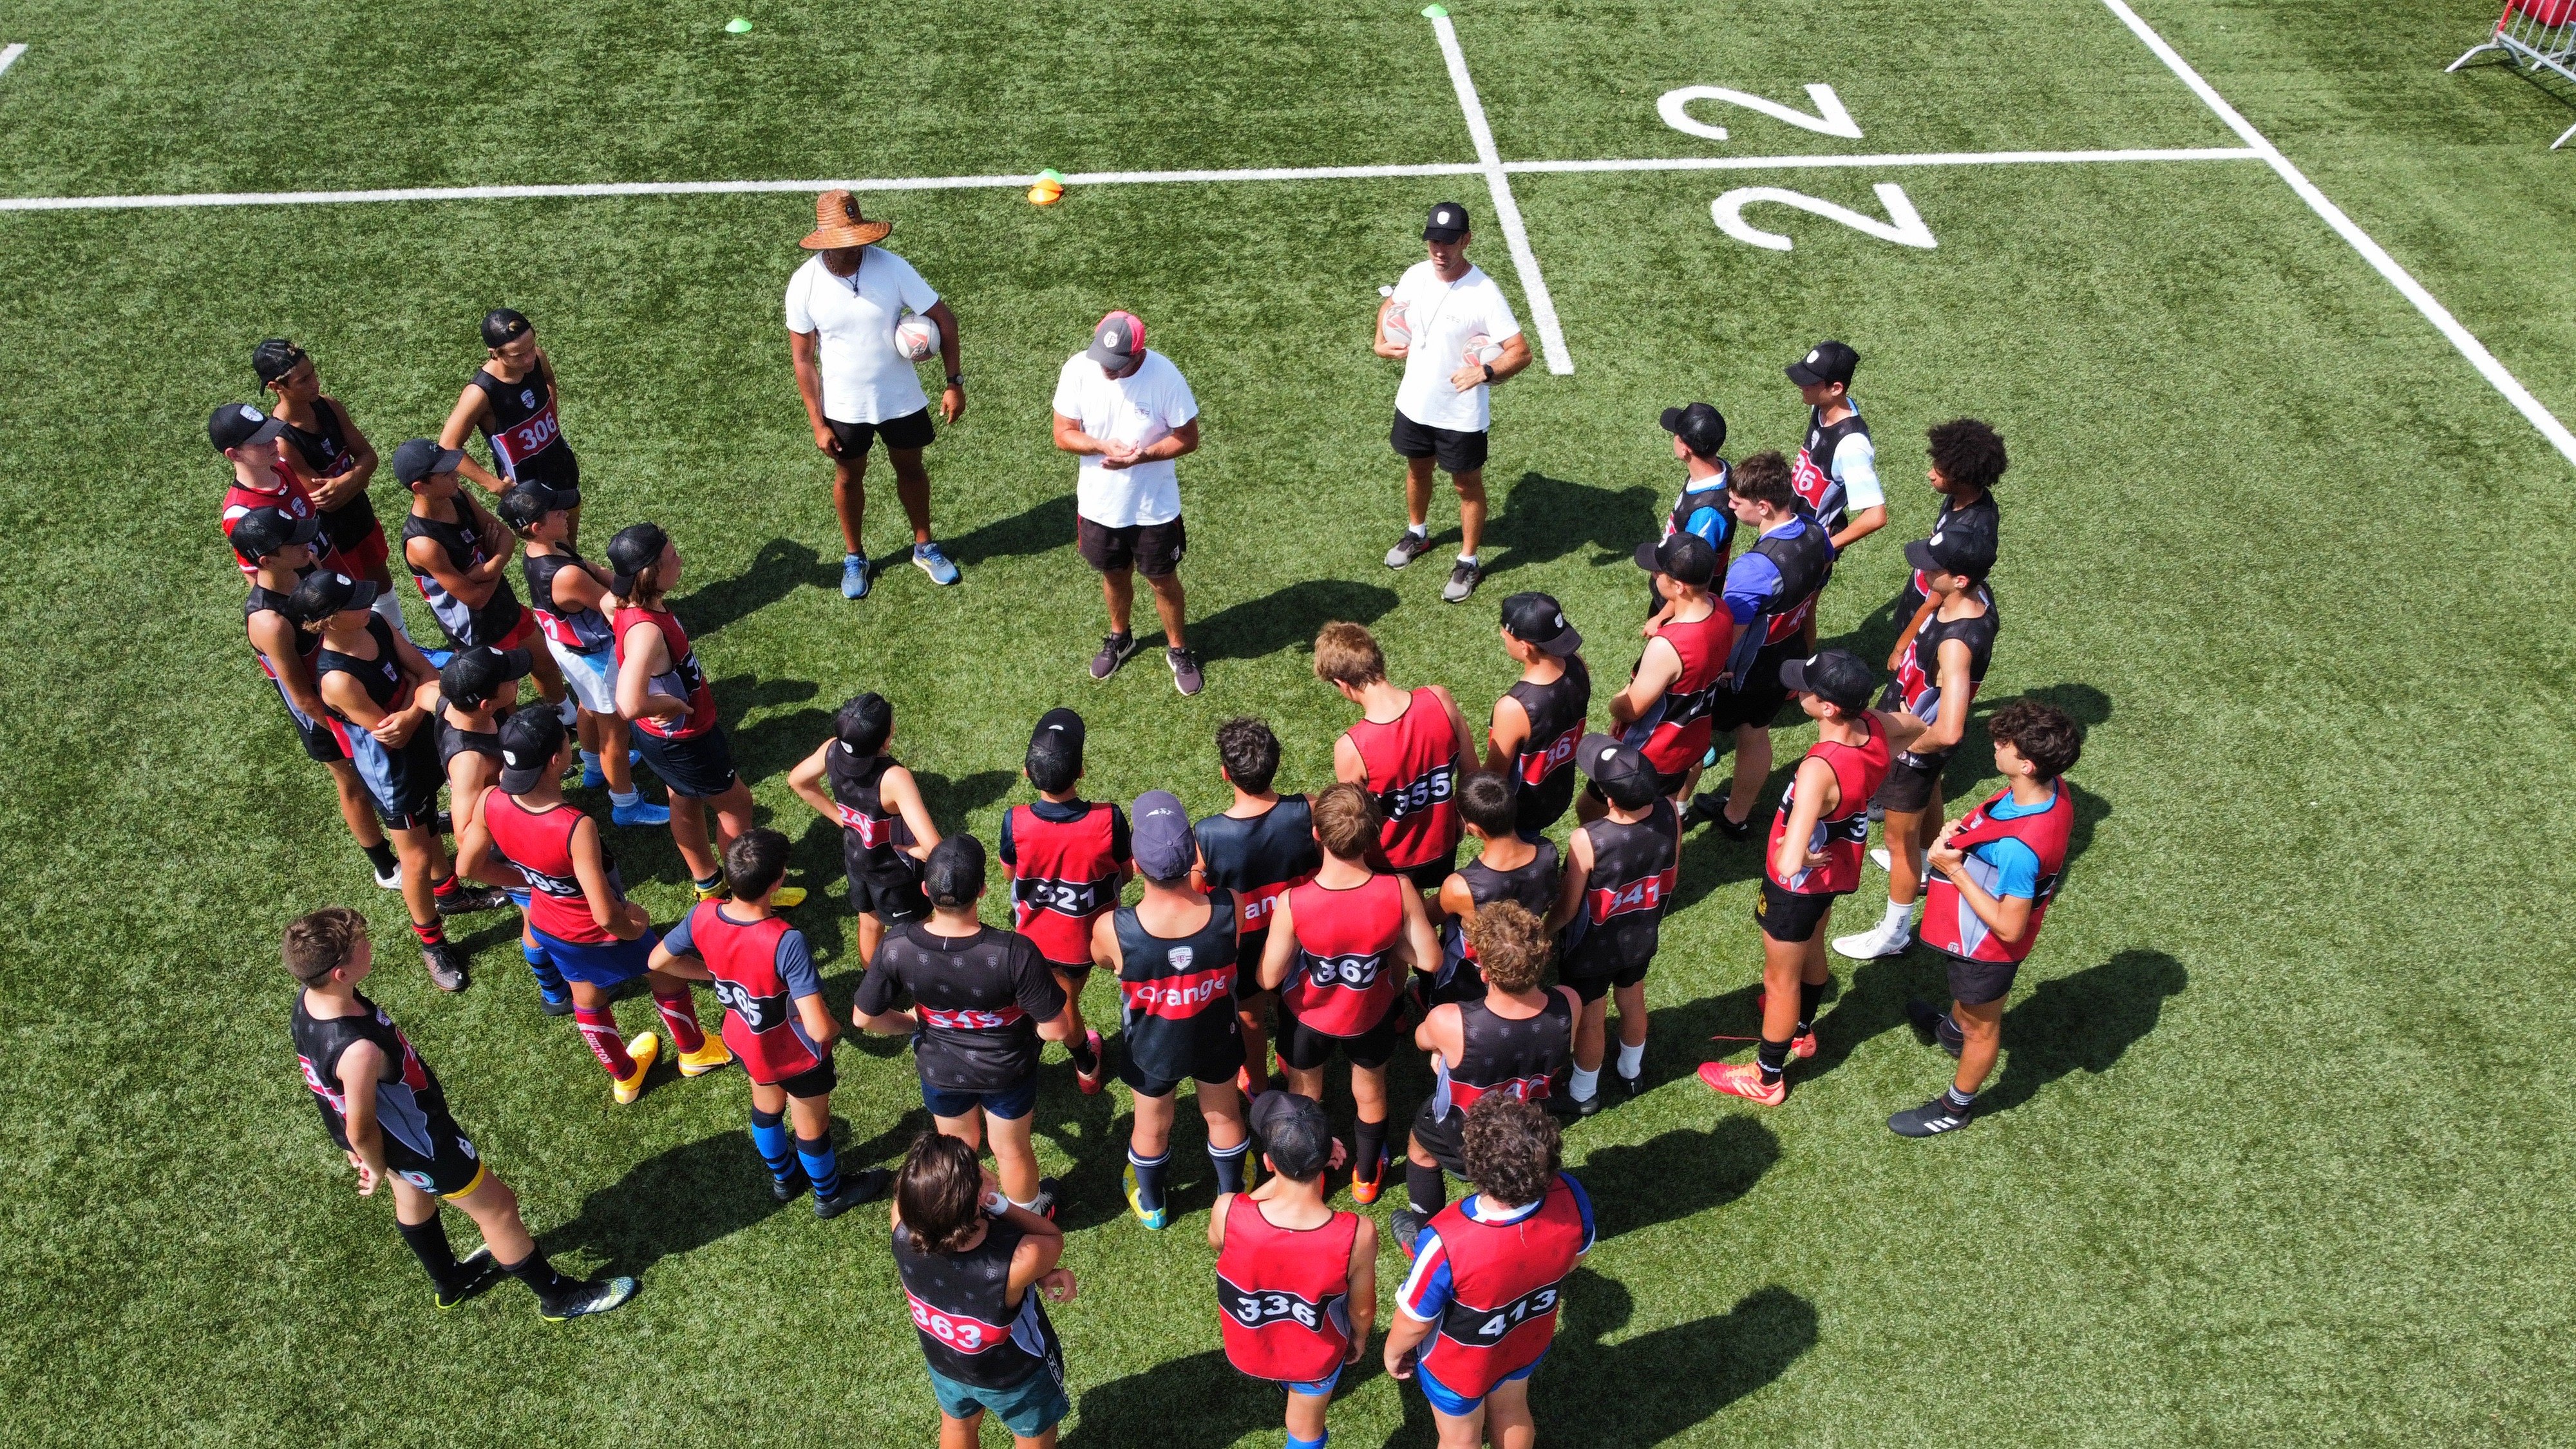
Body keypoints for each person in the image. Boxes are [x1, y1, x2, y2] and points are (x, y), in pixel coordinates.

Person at [283, 907, 634, 1320]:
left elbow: (338, 1102)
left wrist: (364, 1152)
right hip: (422, 1143)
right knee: (498, 1208)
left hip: (396, 1142)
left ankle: (449, 1280)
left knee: (412, 1192)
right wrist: (374, 1163)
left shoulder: (311, 1003)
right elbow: (361, 1125)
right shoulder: (357, 1050)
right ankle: (557, 1298)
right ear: (340, 973)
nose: (369, 945)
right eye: (360, 945)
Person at [460, 710, 733, 1103]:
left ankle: (625, 1077)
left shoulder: (488, 800)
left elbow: (468, 867)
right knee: (664, 971)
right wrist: (635, 925)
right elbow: (605, 914)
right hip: (596, 932)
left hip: (546, 925)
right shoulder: (574, 825)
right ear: (558, 759)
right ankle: (694, 1051)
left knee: (585, 995)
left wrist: (535, 883)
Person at [1702, 651, 1926, 1108]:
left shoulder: (1817, 770)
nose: (1797, 691)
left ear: (1827, 708)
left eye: (1806, 688)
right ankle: (1802, 1032)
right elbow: (1923, 728)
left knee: (1779, 980)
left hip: (1796, 888)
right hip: (1837, 871)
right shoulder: (1877, 726)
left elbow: (1787, 864)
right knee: (1814, 945)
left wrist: (1796, 851)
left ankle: (1767, 1077)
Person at [287, 569, 507, 992]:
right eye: (352, 602)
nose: (364, 604)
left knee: (429, 826)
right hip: (391, 774)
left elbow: (426, 673)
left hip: (420, 745)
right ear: (330, 620)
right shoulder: (338, 679)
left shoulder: (374, 622)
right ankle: (433, 943)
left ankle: (452, 896)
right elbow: (394, 729)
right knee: (417, 858)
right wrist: (414, 696)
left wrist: (413, 697)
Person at [650, 828, 893, 1211]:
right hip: (795, 1053)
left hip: (744, 1039)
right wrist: (833, 1030)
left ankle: (784, 1179)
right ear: (778, 881)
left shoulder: (703, 914)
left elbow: (657, 961)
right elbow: (816, 1026)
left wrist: (712, 974)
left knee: (766, 1109)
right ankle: (829, 1195)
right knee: (811, 1128)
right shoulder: (785, 940)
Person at [854, 836, 1075, 1218]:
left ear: (925, 889)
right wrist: (1025, 1039)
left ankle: (964, 1217)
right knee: (1012, 1150)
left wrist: (912, 1023)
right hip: (1007, 1071)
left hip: (940, 1070)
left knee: (957, 1149)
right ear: (984, 890)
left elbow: (864, 1017)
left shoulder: (896, 946)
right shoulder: (1014, 952)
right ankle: (1027, 1217)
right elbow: (1056, 1029)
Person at [1889, 700, 2081, 1137]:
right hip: (1977, 937)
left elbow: (2010, 926)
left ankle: (1955, 1107)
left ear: (2028, 765)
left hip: (1988, 948)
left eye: (2004, 743)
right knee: (1969, 1011)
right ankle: (1952, 1030)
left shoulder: (2020, 849)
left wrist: (1953, 868)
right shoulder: (2051, 790)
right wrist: (1967, 831)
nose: (1995, 745)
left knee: (1983, 1025)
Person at [1257, 783, 1439, 1206]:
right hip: (1370, 1014)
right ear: (1374, 835)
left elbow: (1268, 977)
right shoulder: (1398, 891)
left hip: (1307, 1018)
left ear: (1317, 835)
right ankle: (1365, 1177)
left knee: (1304, 1096)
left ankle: (1310, 1174)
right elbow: (1428, 960)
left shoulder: (1294, 902)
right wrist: (1386, 939)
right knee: (1371, 1093)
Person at [603, 522, 804, 905]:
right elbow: (628, 704)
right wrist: (674, 704)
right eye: (672, 557)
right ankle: (750, 891)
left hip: (661, 740)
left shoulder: (623, 603)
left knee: (683, 799)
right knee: (737, 804)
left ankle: (708, 884)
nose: (680, 560)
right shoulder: (646, 631)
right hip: (687, 738)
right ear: (651, 573)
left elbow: (604, 602)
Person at [784, 189, 965, 597]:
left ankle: (924, 546)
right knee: (849, 477)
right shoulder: (803, 284)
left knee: (912, 469)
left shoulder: (893, 267)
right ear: (826, 242)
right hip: (845, 408)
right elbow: (803, 360)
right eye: (846, 241)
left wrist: (954, 382)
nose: (857, 248)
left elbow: (945, 319)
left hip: (902, 399)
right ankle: (855, 557)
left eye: (859, 238)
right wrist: (817, 421)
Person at [1385, 1097, 1594, 1448]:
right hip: (1524, 1341)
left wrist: (1392, 1352)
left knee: (1460, 1438)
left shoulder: (1445, 1239)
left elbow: (1415, 1321)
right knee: (1513, 1410)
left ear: (1474, 1166)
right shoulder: (1572, 1195)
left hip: (1458, 1365)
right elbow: (1577, 1258)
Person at [1833, 528, 2000, 962]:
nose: (1924, 569)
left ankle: (1894, 932)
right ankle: (1927, 863)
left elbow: (1949, 730)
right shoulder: (1978, 600)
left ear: (1960, 579)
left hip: (1914, 747)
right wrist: (1906, 644)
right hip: (1911, 730)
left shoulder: (1956, 646)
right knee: (1931, 798)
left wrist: (1902, 751)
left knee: (1896, 841)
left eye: (1934, 566)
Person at [1094, 791, 1249, 1229]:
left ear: (1137, 866)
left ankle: (1155, 1205)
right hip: (1216, 1033)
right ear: (1193, 856)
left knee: (1150, 1128)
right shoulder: (1229, 907)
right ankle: (1230, 1201)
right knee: (1224, 1116)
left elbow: (1104, 962)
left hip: (1152, 1045)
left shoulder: (1113, 928)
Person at [232, 505, 401, 889]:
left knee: (387, 766)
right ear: (266, 559)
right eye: (292, 541)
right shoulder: (269, 622)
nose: (305, 543)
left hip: (348, 686)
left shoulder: (305, 569)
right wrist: (345, 731)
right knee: (353, 780)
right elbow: (301, 695)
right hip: (321, 711)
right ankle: (385, 866)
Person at [1394, 902, 1577, 1250]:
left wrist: (1441, 1054)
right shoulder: (1570, 1003)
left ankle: (1424, 1237)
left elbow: (1423, 1041)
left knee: (1421, 1151)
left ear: (1483, 971)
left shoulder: (1451, 1020)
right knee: (1510, 1180)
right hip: (1525, 1123)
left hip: (1463, 1128)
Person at [1375, 201, 1532, 603]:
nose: (1439, 251)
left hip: (1461, 414)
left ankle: (1469, 560)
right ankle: (1417, 533)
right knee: (1417, 470)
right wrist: (1380, 340)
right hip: (1415, 404)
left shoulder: (1484, 292)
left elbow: (1520, 351)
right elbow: (1391, 306)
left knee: (1466, 485)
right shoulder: (1415, 275)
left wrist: (1485, 373)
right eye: (1433, 242)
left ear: (1466, 240)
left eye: (1448, 242)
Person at [889, 1132, 1077, 1448]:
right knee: (1033, 1436)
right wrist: (1000, 1204)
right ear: (978, 1196)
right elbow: (1052, 1238)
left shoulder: (901, 1225)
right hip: (1017, 1375)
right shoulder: (1021, 1258)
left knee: (958, 1426)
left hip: (946, 1364)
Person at [1212, 1090, 1378, 1449]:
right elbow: (1362, 1310)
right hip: (1315, 1358)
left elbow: (1221, 1239)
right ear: (1324, 1161)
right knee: (1304, 1430)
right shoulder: (1357, 1233)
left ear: (1269, 1163)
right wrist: (1360, 1338)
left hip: (1249, 1350)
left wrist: (1282, 1179)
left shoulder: (1227, 1210)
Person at [497, 482, 667, 828]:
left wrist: (613, 575)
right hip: (594, 657)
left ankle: (592, 768)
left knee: (589, 707)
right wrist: (639, 578)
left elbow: (595, 571)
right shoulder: (566, 575)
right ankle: (625, 804)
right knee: (616, 731)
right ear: (536, 527)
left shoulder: (544, 551)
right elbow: (612, 604)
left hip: (570, 649)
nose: (564, 512)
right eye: (555, 511)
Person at [1052, 310, 1205, 693]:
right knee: (1113, 574)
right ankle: (1121, 637)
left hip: (1154, 507)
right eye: (1104, 362)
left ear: (1139, 354)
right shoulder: (1078, 369)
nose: (1108, 371)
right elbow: (1063, 434)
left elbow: (1188, 437)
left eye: (1118, 366)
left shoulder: (1165, 377)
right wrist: (1102, 444)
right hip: (1100, 506)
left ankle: (1178, 648)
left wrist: (1143, 456)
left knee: (1162, 579)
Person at [1690, 452, 1837, 839]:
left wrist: (1710, 670)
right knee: (1756, 733)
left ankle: (1675, 809)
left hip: (1741, 671)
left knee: (1693, 734)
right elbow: (1813, 598)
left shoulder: (1753, 569)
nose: (1730, 505)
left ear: (1764, 506)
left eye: (1737, 501)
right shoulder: (1816, 532)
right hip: (1785, 659)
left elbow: (1730, 633)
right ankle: (1736, 816)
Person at [433, 643, 572, 1015]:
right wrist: (515, 879)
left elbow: (422, 693)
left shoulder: (449, 703)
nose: (516, 677)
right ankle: (554, 993)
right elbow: (466, 843)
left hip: (514, 839)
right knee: (537, 919)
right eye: (508, 677)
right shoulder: (470, 761)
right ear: (485, 705)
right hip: (511, 854)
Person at [998, 709, 1129, 1094]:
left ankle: (1074, 1059)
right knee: (1063, 1003)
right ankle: (1086, 1066)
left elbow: (1010, 874)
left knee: (1051, 1002)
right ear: (1082, 771)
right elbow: (1128, 869)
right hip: (1083, 941)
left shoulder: (1015, 820)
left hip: (1032, 936)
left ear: (1026, 772)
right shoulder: (1109, 818)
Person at [1546, 735, 1678, 1113]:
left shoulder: (1588, 839)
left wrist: (1543, 933)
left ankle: (1583, 1093)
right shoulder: (1669, 811)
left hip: (1591, 946)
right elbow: (1670, 876)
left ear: (1608, 797)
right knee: (1633, 998)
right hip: (1642, 935)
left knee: (1591, 1017)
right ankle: (1631, 1071)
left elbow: (1569, 908)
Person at [1194, 717, 1321, 1097]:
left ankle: (1259, 1087)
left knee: (1249, 1015)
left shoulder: (1206, 836)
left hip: (1245, 945)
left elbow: (1197, 897)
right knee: (1296, 999)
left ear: (1225, 774)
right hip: (1301, 932)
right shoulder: (1310, 810)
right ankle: (1293, 1057)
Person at [394, 440, 562, 709]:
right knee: (504, 695)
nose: (456, 475)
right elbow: (475, 599)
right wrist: (496, 562)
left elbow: (505, 535)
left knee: (544, 661)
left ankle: (563, 715)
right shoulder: (423, 544)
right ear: (420, 487)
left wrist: (489, 568)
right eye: (446, 473)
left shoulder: (458, 495)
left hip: (503, 604)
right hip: (477, 630)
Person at [1316, 621, 1476, 896]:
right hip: (1444, 844)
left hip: (1389, 863)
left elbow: (1353, 826)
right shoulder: (1440, 699)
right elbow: (1473, 773)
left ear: (1342, 684)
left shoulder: (1352, 747)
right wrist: (1461, 817)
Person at [788, 691, 940, 965]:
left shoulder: (832, 749)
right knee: (918, 931)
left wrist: (839, 818)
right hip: (896, 873)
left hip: (857, 862)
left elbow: (798, 781)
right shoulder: (895, 778)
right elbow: (934, 848)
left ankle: (874, 987)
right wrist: (916, 851)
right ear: (887, 736)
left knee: (869, 924)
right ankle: (925, 996)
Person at [213, 402, 388, 626]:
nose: (273, 442)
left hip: (337, 579)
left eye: (270, 434)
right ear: (234, 454)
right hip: (317, 610)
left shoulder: (284, 467)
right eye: (260, 442)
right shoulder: (241, 513)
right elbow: (259, 581)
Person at [256, 339, 392, 599]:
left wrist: (348, 481)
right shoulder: (283, 441)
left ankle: (402, 640)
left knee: (382, 586)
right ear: (276, 387)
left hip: (361, 517)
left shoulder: (329, 405)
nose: (315, 383)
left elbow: (369, 457)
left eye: (313, 373)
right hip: (333, 541)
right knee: (355, 602)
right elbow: (326, 500)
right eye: (304, 380)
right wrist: (358, 476)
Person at [1612, 532, 1730, 807]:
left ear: (1678, 586)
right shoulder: (1721, 610)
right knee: (1667, 811)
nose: (1654, 575)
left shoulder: (1669, 646)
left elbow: (1631, 709)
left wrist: (1617, 701)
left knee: (1608, 811)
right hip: (1691, 741)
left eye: (1658, 572)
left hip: (1652, 752)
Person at [439, 308, 583, 527]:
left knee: (570, 545)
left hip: (562, 469)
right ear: (495, 353)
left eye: (531, 347)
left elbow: (548, 380)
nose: (529, 359)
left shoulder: (536, 358)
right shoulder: (480, 393)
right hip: (527, 492)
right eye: (518, 355)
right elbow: (448, 446)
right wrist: (495, 486)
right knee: (549, 552)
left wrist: (551, 420)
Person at [1430, 772, 1558, 1007]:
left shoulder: (1461, 886)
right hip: (1519, 964)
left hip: (1467, 977)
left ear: (1475, 830)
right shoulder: (1548, 854)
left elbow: (1427, 918)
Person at [1483, 593, 1589, 842]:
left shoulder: (1514, 708)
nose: (1501, 636)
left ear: (1525, 646)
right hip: (1558, 792)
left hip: (1520, 812)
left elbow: (1494, 777)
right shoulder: (1578, 665)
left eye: (1506, 633)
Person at [1886, 417, 2006, 628]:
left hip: (1935, 614)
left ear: (1963, 478)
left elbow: (1936, 601)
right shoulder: (1957, 497)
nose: (1930, 475)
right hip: (1926, 589)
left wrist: (1902, 646)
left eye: (1940, 473)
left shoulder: (1975, 527)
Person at [1785, 340, 1886, 555]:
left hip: (1803, 550)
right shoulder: (1823, 406)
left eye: (1811, 381)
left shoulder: (1851, 446)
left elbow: (1876, 516)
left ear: (1836, 388)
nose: (1802, 385)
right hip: (1788, 530)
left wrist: (1825, 547)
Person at [1646, 402, 1734, 620]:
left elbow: (1690, 577)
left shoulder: (1707, 515)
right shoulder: (1717, 469)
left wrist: (1661, 617)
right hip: (1671, 586)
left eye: (1676, 434)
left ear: (1685, 448)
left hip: (1681, 605)